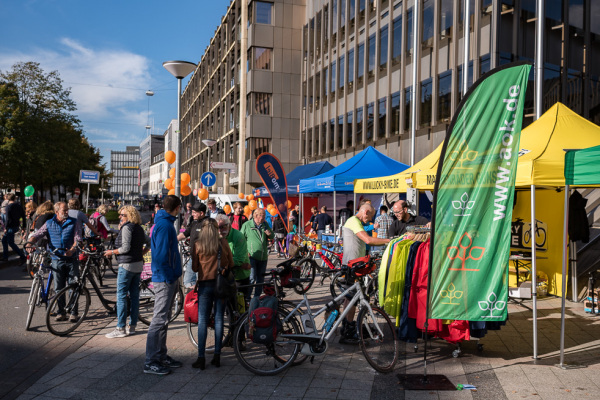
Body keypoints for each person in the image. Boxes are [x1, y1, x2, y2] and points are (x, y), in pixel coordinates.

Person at [339, 203, 391, 344]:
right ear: (366, 212)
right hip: (351, 266)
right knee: (352, 299)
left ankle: (347, 327)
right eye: (371, 216)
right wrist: (389, 241)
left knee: (351, 299)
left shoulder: (355, 221)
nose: (370, 220)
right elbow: (367, 239)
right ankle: (348, 331)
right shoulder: (354, 221)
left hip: (354, 265)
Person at [144, 195, 183, 375]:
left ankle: (160, 355)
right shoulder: (165, 225)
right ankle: (151, 361)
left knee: (164, 319)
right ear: (177, 207)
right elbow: (160, 256)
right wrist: (169, 277)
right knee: (159, 320)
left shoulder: (165, 223)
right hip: (164, 279)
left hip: (168, 277)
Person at [26, 202, 82, 320]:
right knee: (59, 288)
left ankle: (73, 312)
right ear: (57, 212)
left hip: (71, 259)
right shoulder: (49, 223)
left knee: (73, 286)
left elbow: (78, 239)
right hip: (56, 259)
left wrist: (72, 250)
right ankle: (61, 312)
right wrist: (30, 242)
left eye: (67, 210)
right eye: (64, 211)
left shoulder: (74, 222)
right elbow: (38, 234)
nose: (67, 212)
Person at [191, 218, 234, 370]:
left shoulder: (197, 245)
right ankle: (217, 356)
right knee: (219, 319)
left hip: (204, 284)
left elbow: (195, 268)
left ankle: (201, 357)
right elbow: (231, 263)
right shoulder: (222, 243)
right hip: (220, 285)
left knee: (202, 320)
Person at [104, 206, 151, 338]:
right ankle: (133, 326)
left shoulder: (127, 228)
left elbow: (124, 248)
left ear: (129, 216)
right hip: (137, 265)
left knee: (121, 296)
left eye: (122, 215)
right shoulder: (139, 228)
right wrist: (141, 253)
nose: (120, 217)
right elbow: (150, 243)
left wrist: (111, 252)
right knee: (134, 296)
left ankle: (120, 328)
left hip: (127, 265)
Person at [216, 214, 251, 301]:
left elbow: (239, 260)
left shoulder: (238, 236)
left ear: (229, 225)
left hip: (239, 276)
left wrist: (220, 263)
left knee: (239, 306)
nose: (220, 230)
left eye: (222, 227)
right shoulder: (217, 236)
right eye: (217, 227)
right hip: (224, 275)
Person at [240, 208, 273, 298]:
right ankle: (247, 298)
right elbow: (241, 239)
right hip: (251, 256)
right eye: (262, 216)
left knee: (260, 279)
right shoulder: (247, 225)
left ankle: (257, 298)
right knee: (252, 278)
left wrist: (269, 234)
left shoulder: (265, 224)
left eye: (264, 216)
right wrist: (245, 252)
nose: (264, 218)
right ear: (255, 215)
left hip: (263, 257)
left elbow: (272, 235)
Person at [177, 202, 208, 289]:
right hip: (192, 257)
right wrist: (172, 240)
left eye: (194, 212)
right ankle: (194, 298)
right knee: (188, 281)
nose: (192, 214)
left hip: (203, 259)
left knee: (201, 282)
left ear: (201, 213)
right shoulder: (194, 222)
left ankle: (199, 298)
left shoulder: (208, 223)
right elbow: (185, 234)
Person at [2, 193, 27, 263]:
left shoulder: (8, 207)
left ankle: (22, 256)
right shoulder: (19, 206)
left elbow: (8, 219)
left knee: (10, 242)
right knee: (4, 240)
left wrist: (5, 228)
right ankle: (5, 256)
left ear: (8, 199)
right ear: (15, 198)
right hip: (16, 226)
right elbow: (23, 217)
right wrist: (23, 226)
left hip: (10, 227)